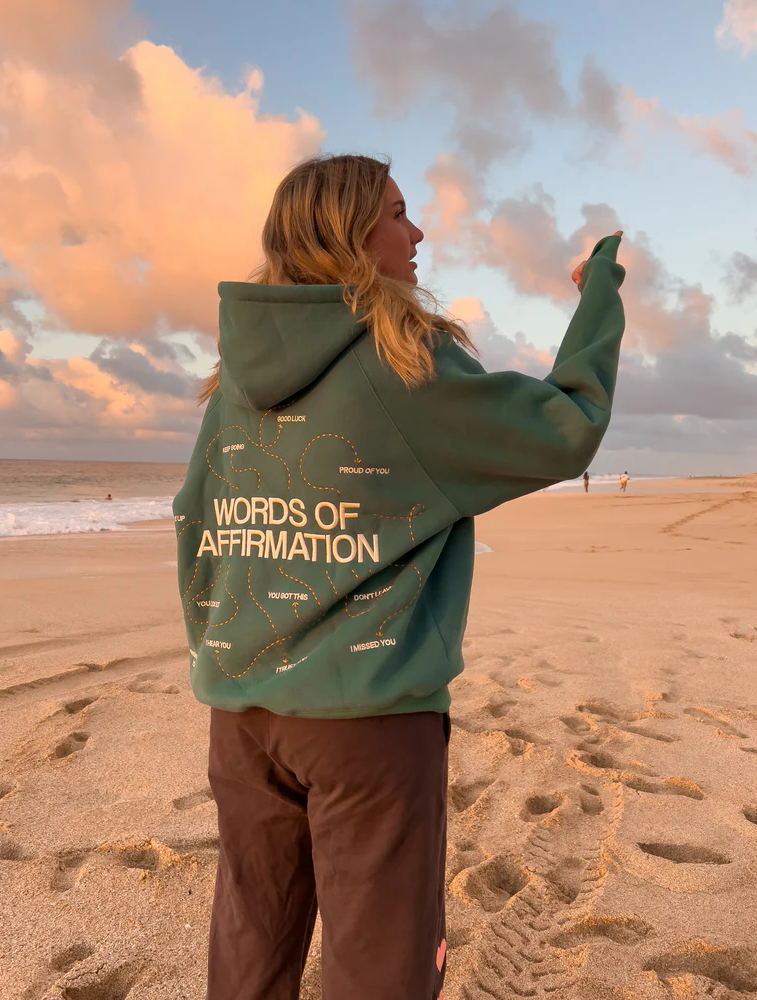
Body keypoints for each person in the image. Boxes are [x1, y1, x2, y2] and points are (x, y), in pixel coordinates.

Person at [172, 154, 626, 1000]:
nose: (416, 233)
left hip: (242, 714)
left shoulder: (235, 377)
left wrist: (220, 653)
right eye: (397, 213)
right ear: (347, 233)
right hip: (368, 725)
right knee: (380, 965)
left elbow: (198, 520)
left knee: (249, 945)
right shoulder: (403, 357)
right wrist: (600, 294)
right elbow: (563, 428)